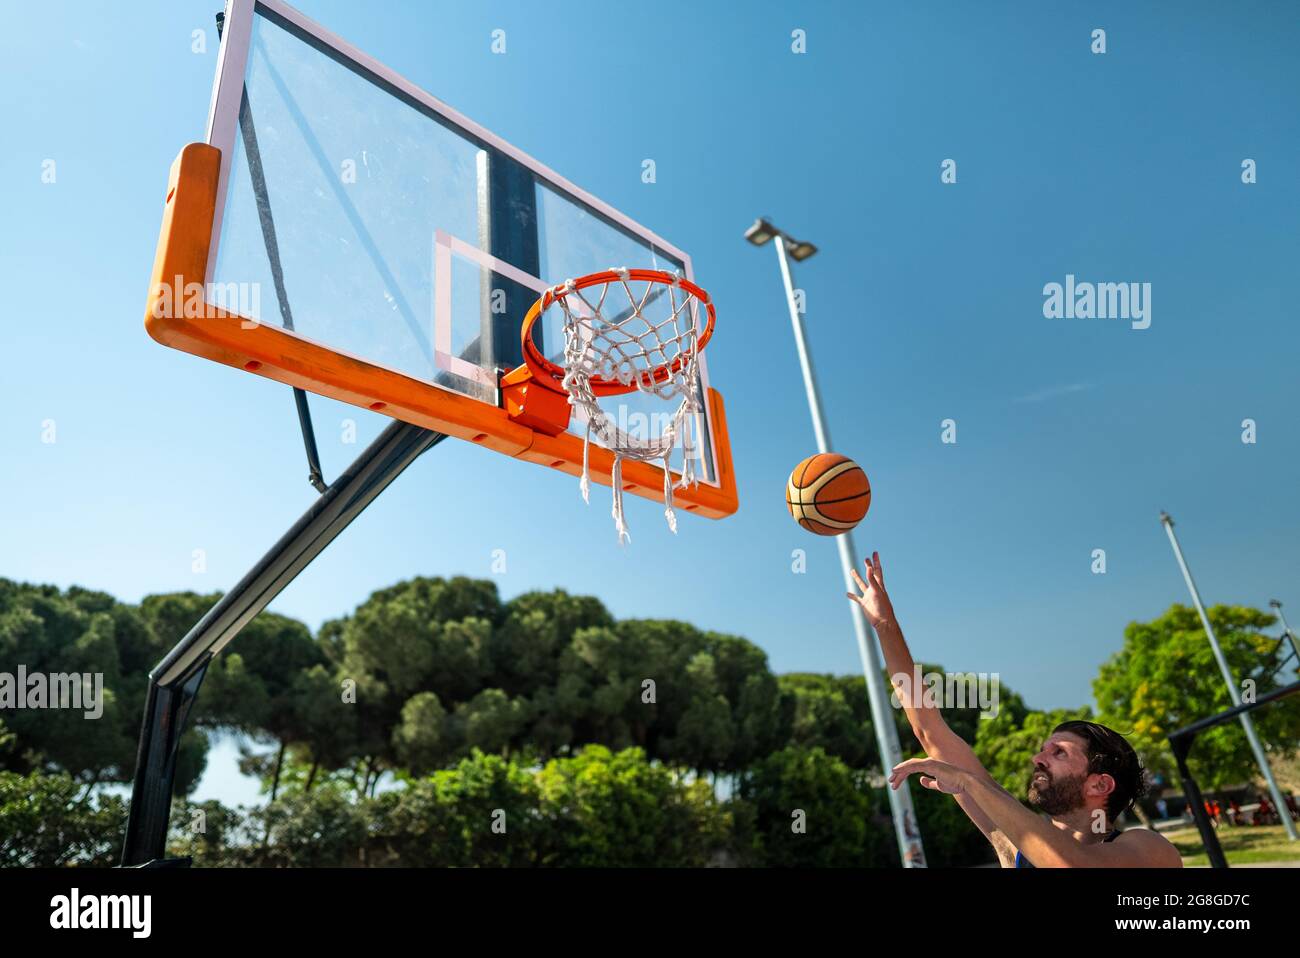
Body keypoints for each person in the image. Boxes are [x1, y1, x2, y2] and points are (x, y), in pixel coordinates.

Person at [847, 552, 1183, 868]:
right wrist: (886, 627)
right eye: (1044, 750)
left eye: (1059, 753)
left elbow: (1072, 865)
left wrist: (970, 784)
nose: (1038, 758)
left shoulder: (1149, 849)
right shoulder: (1014, 844)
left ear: (1099, 785)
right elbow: (929, 729)